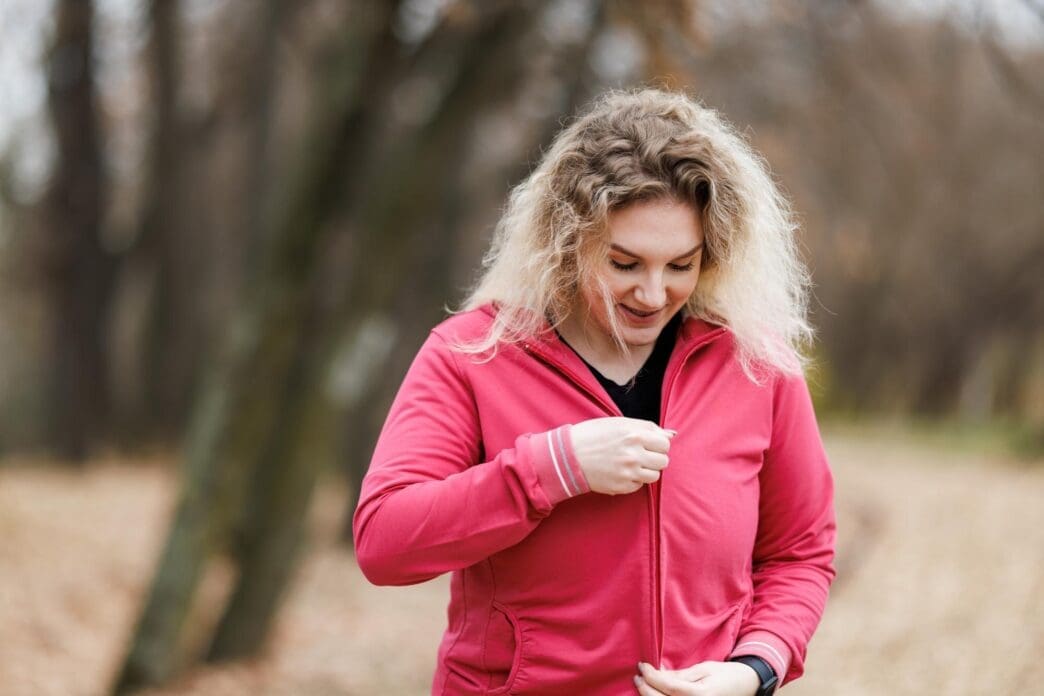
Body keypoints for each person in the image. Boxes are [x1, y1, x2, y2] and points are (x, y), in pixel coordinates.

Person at [353, 88, 836, 696]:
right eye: (625, 264)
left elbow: (800, 555)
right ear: (567, 241)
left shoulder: (757, 365)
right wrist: (553, 468)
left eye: (681, 265)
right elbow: (384, 542)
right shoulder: (472, 354)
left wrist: (755, 668)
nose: (654, 294)